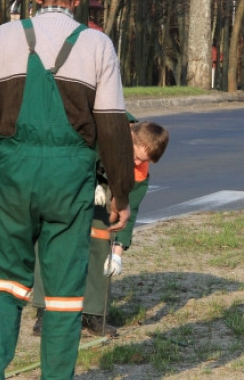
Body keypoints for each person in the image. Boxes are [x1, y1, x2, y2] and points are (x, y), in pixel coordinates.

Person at [0, 0, 134, 380]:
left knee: (3, 279)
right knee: (60, 295)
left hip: (12, 174)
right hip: (69, 178)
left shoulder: (5, 37)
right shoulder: (98, 45)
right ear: (78, 0)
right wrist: (121, 194)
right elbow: (115, 129)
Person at [31, 117, 169, 337]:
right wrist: (89, 182)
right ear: (129, 139)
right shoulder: (104, 125)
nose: (136, 164)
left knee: (102, 236)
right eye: (135, 157)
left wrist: (117, 253)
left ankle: (92, 314)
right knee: (52, 237)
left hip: (102, 174)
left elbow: (128, 210)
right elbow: (72, 152)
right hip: (62, 168)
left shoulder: (139, 167)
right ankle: (46, 311)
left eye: (143, 161)